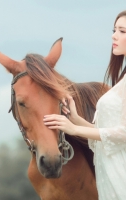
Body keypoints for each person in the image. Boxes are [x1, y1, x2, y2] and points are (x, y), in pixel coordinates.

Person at [43, 10, 126, 199]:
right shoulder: (122, 80)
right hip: (110, 173)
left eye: (123, 31)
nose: (114, 35)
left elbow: (124, 133)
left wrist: (74, 129)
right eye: (114, 30)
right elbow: (107, 137)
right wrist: (76, 119)